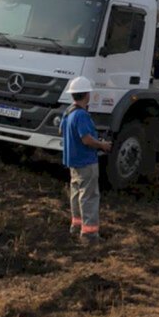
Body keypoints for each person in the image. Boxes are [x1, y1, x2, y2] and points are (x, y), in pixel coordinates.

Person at [59, 76, 112, 246]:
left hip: (73, 161)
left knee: (76, 193)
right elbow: (86, 139)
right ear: (86, 95)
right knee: (89, 196)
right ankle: (89, 235)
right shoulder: (81, 115)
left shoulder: (68, 112)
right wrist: (102, 145)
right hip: (86, 161)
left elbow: (62, 131)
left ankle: (76, 226)